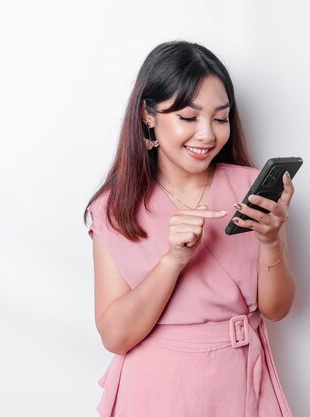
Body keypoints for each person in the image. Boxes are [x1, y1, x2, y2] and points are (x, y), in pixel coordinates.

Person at [83, 40, 297, 417]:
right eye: (188, 117)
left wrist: (270, 241)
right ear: (149, 115)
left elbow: (276, 310)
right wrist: (173, 260)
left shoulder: (252, 191)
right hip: (155, 392)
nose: (207, 135)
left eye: (219, 118)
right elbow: (115, 336)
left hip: (239, 386)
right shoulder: (115, 208)